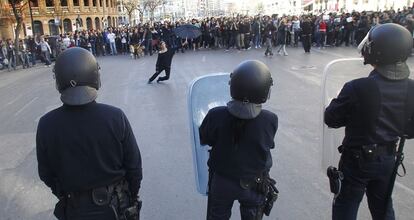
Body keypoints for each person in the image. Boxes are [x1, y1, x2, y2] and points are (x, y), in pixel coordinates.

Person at [36, 47, 142, 220]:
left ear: (59, 80)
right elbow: (134, 167)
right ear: (95, 76)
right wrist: (131, 196)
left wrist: (68, 194)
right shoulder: (115, 117)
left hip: (74, 209)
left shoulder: (47, 124)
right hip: (116, 207)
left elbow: (46, 174)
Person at [324, 23, 414, 220]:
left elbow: (331, 118)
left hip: (357, 161)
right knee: (383, 208)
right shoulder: (411, 88)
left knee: (346, 205)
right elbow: (410, 130)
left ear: (377, 52)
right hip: (389, 158)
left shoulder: (358, 87)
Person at [199, 60, 278, 220]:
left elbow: (204, 138)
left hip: (221, 181)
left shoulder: (216, 115)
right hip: (254, 183)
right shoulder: (269, 119)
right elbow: (268, 144)